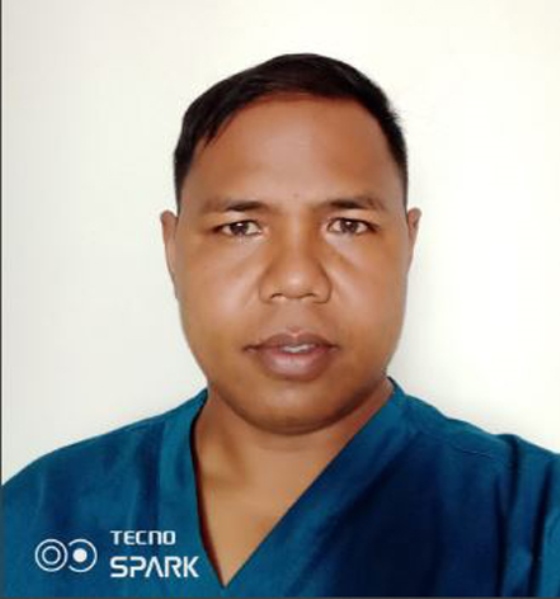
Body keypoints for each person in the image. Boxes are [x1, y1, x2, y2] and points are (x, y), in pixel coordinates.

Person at [3, 53, 559, 598]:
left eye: (348, 224)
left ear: (408, 244)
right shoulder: (39, 518)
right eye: (241, 227)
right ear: (172, 250)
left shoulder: (535, 523)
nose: (296, 279)